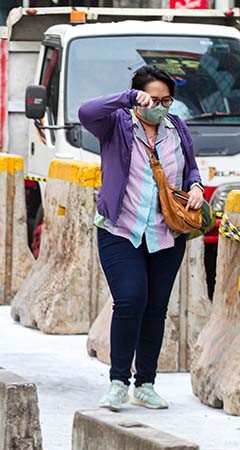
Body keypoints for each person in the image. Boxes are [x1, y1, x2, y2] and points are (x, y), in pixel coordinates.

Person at [79, 66, 204, 411]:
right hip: (121, 229)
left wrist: (195, 186)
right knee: (131, 298)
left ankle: (146, 384)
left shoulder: (176, 128)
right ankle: (118, 382)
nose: (160, 107)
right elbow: (86, 112)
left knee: (155, 308)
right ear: (138, 98)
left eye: (167, 100)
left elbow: (191, 166)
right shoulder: (116, 124)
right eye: (153, 99)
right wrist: (128, 98)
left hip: (166, 233)